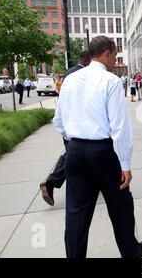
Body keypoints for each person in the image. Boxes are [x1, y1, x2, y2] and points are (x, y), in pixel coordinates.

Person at [53, 36, 142, 258]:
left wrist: (75, 141)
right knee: (120, 205)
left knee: (76, 212)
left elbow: (58, 121)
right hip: (103, 152)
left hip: (75, 150)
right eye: (114, 56)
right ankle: (131, 251)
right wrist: (125, 163)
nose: (114, 61)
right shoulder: (111, 81)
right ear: (106, 53)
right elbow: (120, 127)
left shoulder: (69, 80)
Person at [39, 50, 92, 206]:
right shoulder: (84, 74)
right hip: (79, 123)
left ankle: (52, 183)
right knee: (72, 156)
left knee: (73, 155)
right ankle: (50, 183)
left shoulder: (68, 73)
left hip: (68, 122)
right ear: (89, 61)